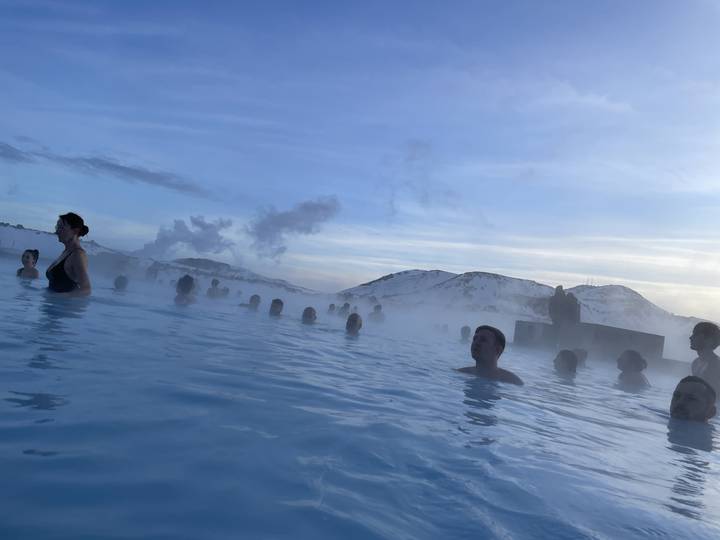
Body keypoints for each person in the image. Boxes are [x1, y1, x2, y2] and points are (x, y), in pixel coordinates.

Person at [457, 326, 523, 385]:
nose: (476, 343)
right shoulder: (460, 373)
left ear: (497, 350)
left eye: (483, 340)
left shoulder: (512, 381)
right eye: (475, 339)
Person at [46, 212, 91, 295]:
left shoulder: (77, 255)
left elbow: (86, 289)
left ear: (75, 231)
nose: (57, 231)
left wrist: (58, 298)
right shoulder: (66, 252)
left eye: (61, 227)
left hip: (63, 306)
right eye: (57, 227)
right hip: (54, 305)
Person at [690, 322, 720, 397]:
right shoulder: (696, 363)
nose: (690, 337)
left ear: (709, 340)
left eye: (695, 334)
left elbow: (714, 397)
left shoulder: (716, 366)